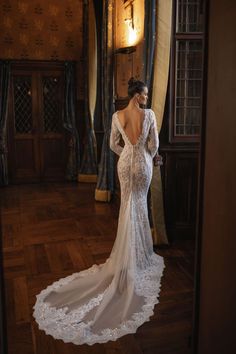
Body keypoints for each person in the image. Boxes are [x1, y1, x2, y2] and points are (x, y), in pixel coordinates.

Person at [33, 77, 165, 346]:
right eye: (145, 94)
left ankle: (128, 256)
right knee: (139, 205)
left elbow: (112, 145)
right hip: (142, 163)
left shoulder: (117, 115)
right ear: (137, 94)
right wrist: (147, 154)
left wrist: (127, 151)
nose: (147, 99)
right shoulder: (149, 115)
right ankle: (139, 257)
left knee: (127, 206)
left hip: (125, 161)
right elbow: (154, 146)